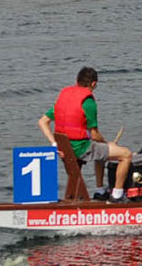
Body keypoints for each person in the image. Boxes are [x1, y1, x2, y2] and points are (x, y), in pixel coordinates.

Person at [37, 66, 132, 202]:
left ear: (77, 81)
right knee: (126, 154)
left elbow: (42, 122)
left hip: (65, 149)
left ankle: (100, 191)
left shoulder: (64, 99)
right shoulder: (88, 102)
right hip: (80, 148)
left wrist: (54, 144)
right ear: (94, 84)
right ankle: (117, 195)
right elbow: (94, 134)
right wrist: (108, 143)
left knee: (101, 151)